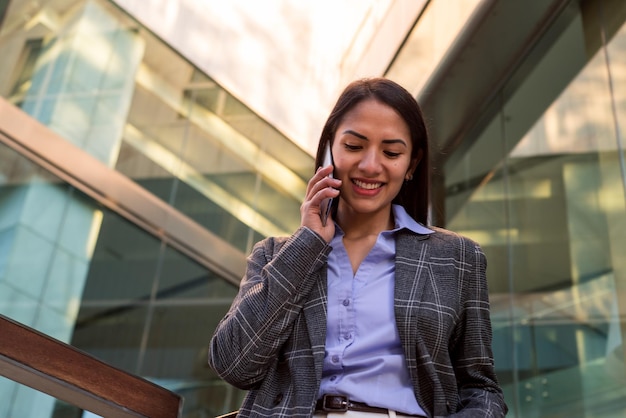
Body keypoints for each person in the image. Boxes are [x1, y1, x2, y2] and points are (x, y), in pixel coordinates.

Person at [209, 77, 507, 417]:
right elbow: (234, 364)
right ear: (328, 151)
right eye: (353, 146)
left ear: (411, 164)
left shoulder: (457, 258)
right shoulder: (275, 256)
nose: (369, 165)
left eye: (391, 152)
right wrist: (306, 245)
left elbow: (481, 389)